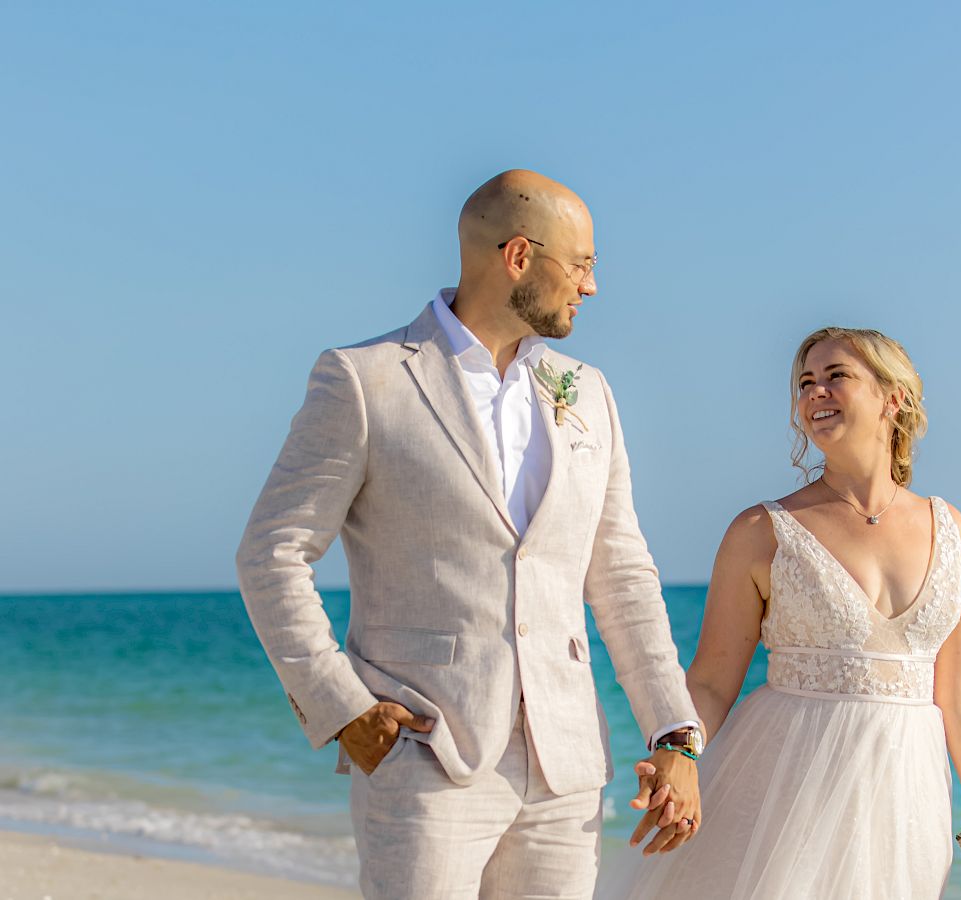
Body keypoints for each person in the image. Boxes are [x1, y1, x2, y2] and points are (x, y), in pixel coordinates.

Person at [235, 170, 703, 899]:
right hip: (424, 756)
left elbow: (621, 574)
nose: (592, 285)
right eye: (581, 265)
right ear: (518, 256)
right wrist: (342, 707)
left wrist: (673, 733)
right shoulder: (364, 381)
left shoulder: (590, 393)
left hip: (566, 768)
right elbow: (271, 553)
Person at [603, 327, 961, 900]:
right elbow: (709, 681)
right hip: (783, 797)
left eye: (836, 377)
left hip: (906, 808)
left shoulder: (950, 530)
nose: (815, 393)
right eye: (805, 383)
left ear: (892, 397)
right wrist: (676, 754)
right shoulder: (759, 532)